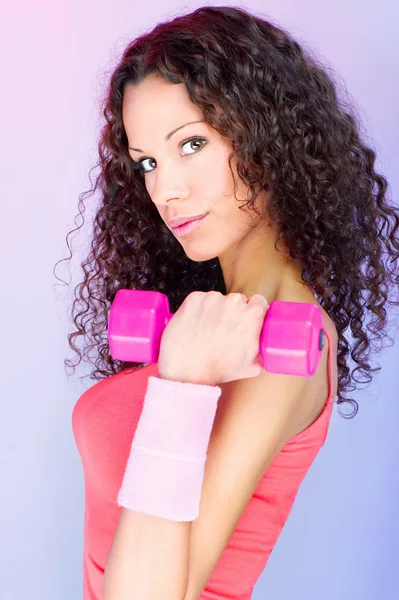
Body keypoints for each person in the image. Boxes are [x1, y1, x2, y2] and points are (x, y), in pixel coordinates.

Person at [58, 6, 399, 599]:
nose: (165, 189)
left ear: (267, 136)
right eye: (148, 162)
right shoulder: (216, 319)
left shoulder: (291, 340)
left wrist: (184, 386)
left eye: (192, 143)